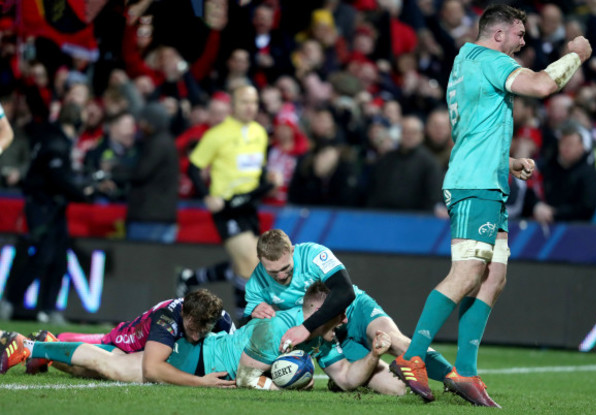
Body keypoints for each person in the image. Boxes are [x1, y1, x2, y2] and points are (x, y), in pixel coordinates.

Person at [388, 4, 592, 407]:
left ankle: (465, 370)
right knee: (467, 274)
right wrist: (577, 55)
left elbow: (474, 128)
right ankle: (412, 356)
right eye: (519, 33)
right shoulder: (490, 59)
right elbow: (541, 85)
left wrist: (508, 162)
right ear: (499, 34)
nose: (523, 41)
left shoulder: (467, 61)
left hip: (488, 179)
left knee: (493, 277)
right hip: (474, 186)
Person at [2, 283, 403, 395]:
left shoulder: (315, 338)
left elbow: (349, 379)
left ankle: (43, 349)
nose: (343, 323)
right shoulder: (274, 330)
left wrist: (376, 357)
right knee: (111, 361)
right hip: (195, 359)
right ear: (318, 315)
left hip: (203, 353)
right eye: (337, 316)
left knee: (104, 366)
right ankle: (30, 347)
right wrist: (283, 383)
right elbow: (246, 380)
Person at [245, 229, 453, 388]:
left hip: (354, 311)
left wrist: (306, 328)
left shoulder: (313, 254)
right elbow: (251, 333)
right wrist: (257, 315)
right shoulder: (256, 283)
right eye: (273, 272)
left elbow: (345, 292)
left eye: (285, 268)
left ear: (292, 250)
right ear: (261, 262)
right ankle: (340, 384)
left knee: (394, 341)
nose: (281, 276)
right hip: (328, 337)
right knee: (395, 388)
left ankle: (455, 378)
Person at [178, 85, 279, 320]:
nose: (250, 107)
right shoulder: (217, 134)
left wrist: (270, 179)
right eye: (244, 102)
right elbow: (193, 167)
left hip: (250, 205)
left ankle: (192, 279)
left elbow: (258, 169)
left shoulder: (260, 133)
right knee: (251, 262)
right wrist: (206, 195)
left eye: (254, 102)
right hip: (227, 207)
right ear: (232, 105)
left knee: (246, 264)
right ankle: (243, 322)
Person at [1, 289, 236, 387]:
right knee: (96, 365)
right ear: (184, 313)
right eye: (192, 328)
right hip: (124, 340)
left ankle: (44, 345)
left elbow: (234, 346)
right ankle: (37, 344)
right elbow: (153, 369)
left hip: (142, 345)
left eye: (202, 331)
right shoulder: (168, 318)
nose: (196, 336)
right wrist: (201, 381)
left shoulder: (220, 318)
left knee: (88, 372)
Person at [0, 103, 95, 324]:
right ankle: (10, 301)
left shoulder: (54, 137)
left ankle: (48, 309)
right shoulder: (55, 142)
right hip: (43, 207)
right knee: (42, 257)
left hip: (53, 206)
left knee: (59, 259)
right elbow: (57, 178)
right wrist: (83, 194)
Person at [125, 102, 179, 243]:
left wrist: (115, 170)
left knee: (142, 261)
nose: (140, 126)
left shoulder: (158, 143)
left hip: (151, 216)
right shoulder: (164, 141)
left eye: (143, 121)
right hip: (159, 215)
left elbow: (140, 173)